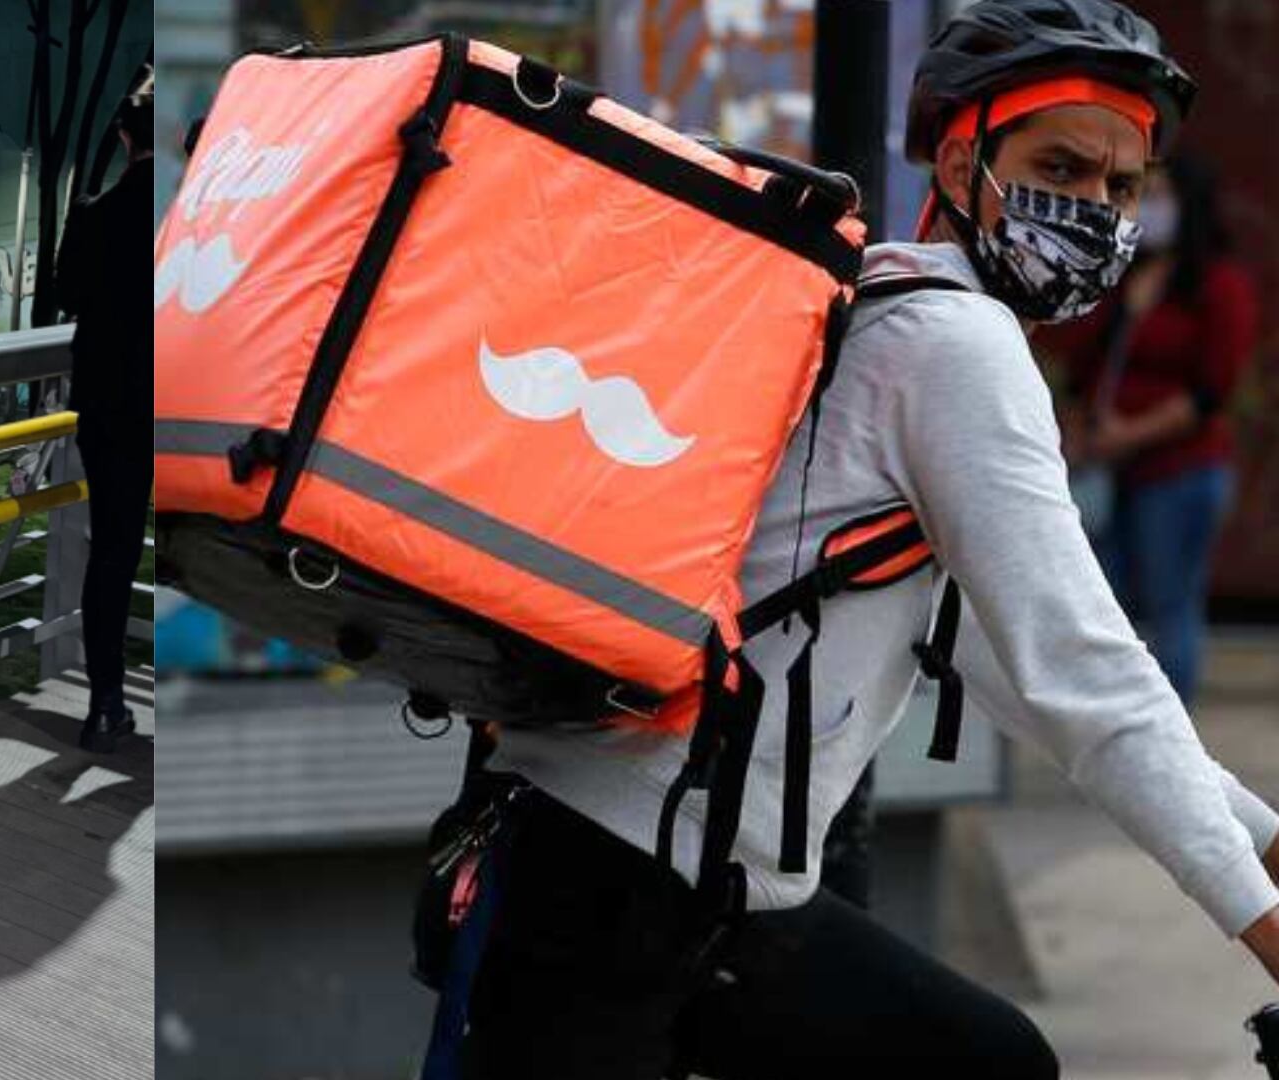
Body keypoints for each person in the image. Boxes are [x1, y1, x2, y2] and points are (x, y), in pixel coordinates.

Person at [450, 3, 1279, 1077]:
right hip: (620, 883)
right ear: (960, 154)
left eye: (1121, 188)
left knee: (981, 1061)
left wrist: (1257, 838)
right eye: (1060, 166)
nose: (1092, 210)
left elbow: (1029, 669)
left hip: (679, 879)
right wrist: (1265, 926)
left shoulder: (886, 302)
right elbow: (1088, 676)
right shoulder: (955, 347)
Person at [1055, 154, 1258, 703]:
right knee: (1105, 600)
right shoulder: (1123, 277)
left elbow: (1210, 392)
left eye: (1161, 197)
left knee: (1171, 601)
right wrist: (1083, 434)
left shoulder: (1218, 285)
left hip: (1180, 470)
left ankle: (1171, 733)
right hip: (1107, 471)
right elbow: (1082, 364)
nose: (1149, 211)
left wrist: (1129, 433)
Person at [55, 69, 155, 753]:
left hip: (110, 407)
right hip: (188, 412)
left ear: (123, 135)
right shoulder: (197, 213)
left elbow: (66, 294)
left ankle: (105, 702)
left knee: (112, 555)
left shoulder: (93, 213)